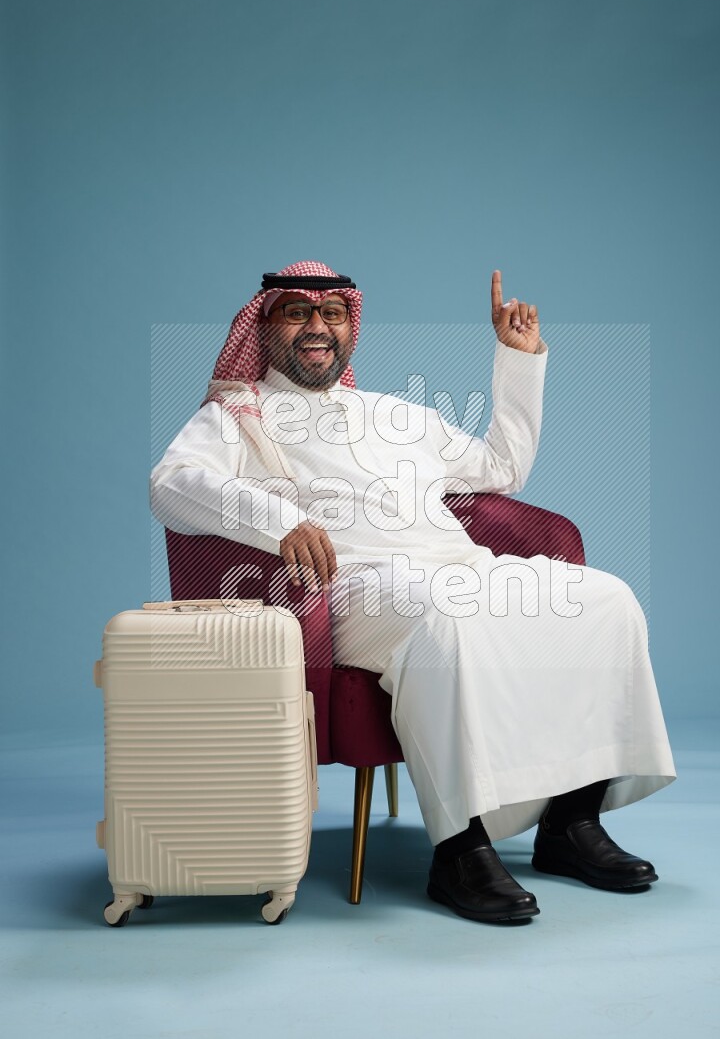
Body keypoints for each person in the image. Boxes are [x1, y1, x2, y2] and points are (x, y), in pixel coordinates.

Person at [150, 259, 676, 924]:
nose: (317, 326)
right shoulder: (237, 417)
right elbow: (171, 484)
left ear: (351, 326)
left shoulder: (396, 414)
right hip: (353, 586)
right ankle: (460, 850)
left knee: (605, 601)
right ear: (265, 327)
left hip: (458, 566)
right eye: (297, 312)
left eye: (332, 313)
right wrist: (279, 521)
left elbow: (502, 468)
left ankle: (571, 822)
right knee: (446, 620)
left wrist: (518, 361)